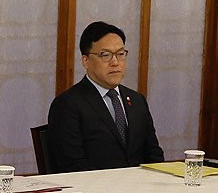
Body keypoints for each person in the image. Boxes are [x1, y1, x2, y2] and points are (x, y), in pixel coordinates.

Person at [48, 22, 164, 172]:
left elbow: (154, 156)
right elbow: (72, 165)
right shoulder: (67, 105)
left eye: (120, 54)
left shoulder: (136, 100)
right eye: (106, 55)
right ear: (86, 61)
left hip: (140, 189)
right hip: (94, 190)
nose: (115, 62)